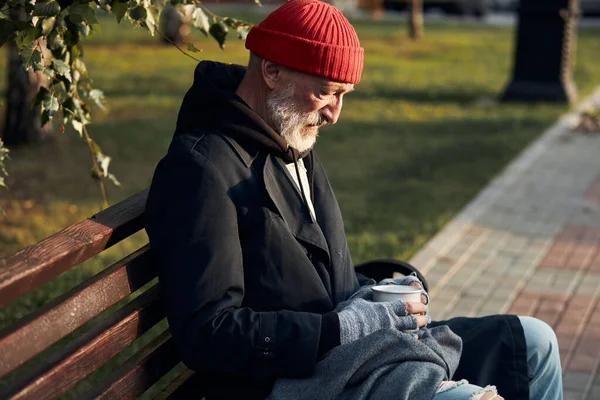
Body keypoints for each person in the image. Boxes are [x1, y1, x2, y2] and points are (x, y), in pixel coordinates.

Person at [145, 1, 563, 399]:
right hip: (300, 380)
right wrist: (340, 329)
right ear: (271, 70)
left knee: (535, 342)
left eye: (344, 94)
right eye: (327, 92)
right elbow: (208, 333)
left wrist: (382, 294)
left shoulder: (287, 136)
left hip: (357, 357)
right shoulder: (201, 170)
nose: (334, 114)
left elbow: (324, 276)